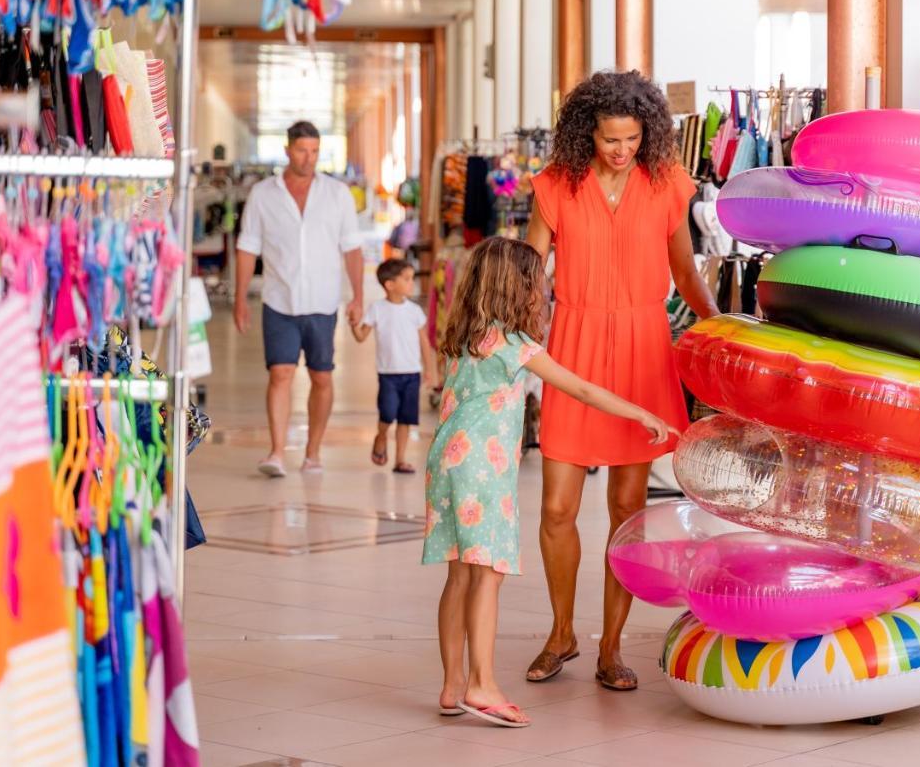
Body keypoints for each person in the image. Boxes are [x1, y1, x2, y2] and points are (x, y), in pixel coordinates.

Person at [423, 237, 676, 728]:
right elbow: (579, 387)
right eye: (535, 284)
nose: (540, 292)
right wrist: (641, 413)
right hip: (484, 470)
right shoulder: (513, 344)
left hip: (447, 465)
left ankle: (453, 684)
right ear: (517, 289)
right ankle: (482, 684)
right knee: (487, 575)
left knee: (458, 575)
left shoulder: (463, 335)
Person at [524, 70, 719, 690]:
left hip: (642, 350)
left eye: (632, 138)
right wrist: (505, 339)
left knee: (628, 508)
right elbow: (530, 275)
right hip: (573, 347)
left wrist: (721, 326)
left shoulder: (665, 185)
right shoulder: (556, 185)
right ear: (588, 133)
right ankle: (561, 633)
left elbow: (685, 273)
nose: (621, 150)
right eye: (611, 138)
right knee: (557, 507)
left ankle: (610, 646)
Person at [234, 121, 364, 477]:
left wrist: (358, 297)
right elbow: (247, 248)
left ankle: (313, 452)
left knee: (322, 377)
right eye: (303, 150)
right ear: (288, 150)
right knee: (280, 373)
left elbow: (352, 248)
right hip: (279, 300)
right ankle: (276, 452)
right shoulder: (263, 194)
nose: (309, 158)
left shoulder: (337, 194)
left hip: (323, 301)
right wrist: (240, 298)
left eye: (315, 151)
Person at [351, 258, 437, 474]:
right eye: (407, 279)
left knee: (406, 418)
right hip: (388, 374)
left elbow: (424, 342)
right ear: (390, 285)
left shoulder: (414, 311)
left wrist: (430, 370)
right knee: (387, 414)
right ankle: (381, 437)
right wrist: (354, 324)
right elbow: (361, 336)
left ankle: (400, 459)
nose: (412, 284)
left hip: (411, 373)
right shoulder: (377, 309)